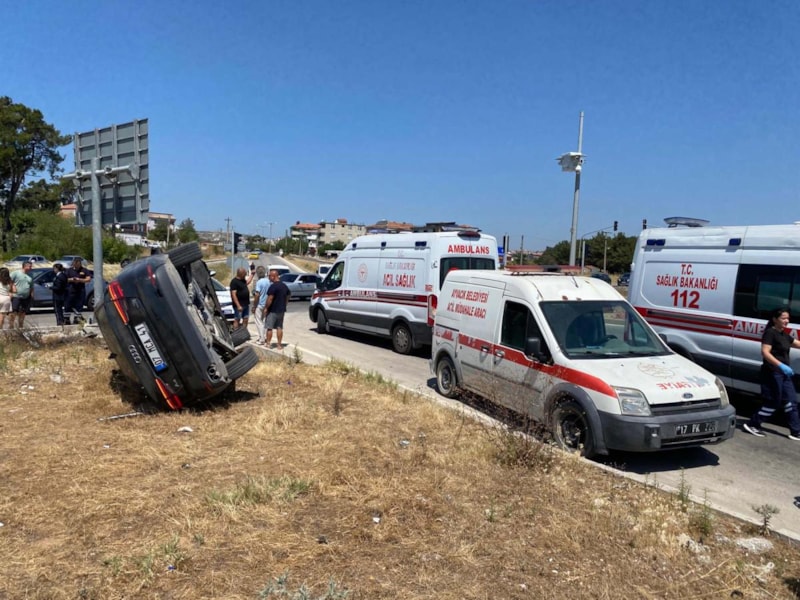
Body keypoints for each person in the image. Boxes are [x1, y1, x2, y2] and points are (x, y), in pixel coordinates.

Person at [743, 307, 800, 441]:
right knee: (774, 402)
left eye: (788, 318)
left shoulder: (784, 335)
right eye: (783, 318)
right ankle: (753, 424)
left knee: (791, 402)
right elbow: (765, 352)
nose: (786, 321)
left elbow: (797, 343)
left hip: (784, 375)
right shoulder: (770, 333)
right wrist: (780, 365)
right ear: (775, 319)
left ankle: (796, 431)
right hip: (772, 372)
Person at [265, 268, 291, 350]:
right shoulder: (284, 286)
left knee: (269, 327)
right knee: (279, 327)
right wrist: (285, 304)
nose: (269, 277)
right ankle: (279, 345)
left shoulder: (273, 286)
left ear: (273, 276)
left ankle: (268, 343)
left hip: (272, 310)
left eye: (269, 276)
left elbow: (270, 299)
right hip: (281, 310)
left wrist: (266, 308)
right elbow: (288, 295)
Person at [65, 257, 92, 324]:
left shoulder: (84, 270)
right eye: (75, 263)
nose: (77, 265)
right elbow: (65, 279)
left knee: (79, 305)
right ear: (73, 263)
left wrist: (80, 280)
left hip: (80, 291)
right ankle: (67, 319)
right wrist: (72, 279)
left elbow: (88, 279)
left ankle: (77, 319)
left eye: (78, 263)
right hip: (70, 290)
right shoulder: (69, 270)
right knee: (68, 305)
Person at [8, 261, 34, 329]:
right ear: (25, 266)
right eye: (30, 266)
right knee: (14, 311)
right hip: (16, 296)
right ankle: (11, 326)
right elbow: (9, 281)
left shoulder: (30, 275)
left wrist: (32, 295)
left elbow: (31, 286)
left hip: (26, 297)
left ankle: (20, 326)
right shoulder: (16, 273)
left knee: (23, 312)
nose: (31, 268)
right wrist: (12, 287)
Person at [229, 266, 255, 330]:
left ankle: (244, 331)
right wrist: (238, 305)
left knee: (245, 318)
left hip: (246, 304)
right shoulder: (234, 282)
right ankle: (236, 331)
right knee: (237, 319)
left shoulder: (242, 280)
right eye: (244, 274)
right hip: (239, 305)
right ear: (241, 274)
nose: (245, 275)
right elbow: (233, 294)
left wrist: (252, 275)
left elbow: (247, 282)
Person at [251, 266, 269, 344]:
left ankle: (262, 339)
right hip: (267, 304)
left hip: (260, 304)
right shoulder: (268, 281)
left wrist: (254, 306)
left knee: (259, 322)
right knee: (264, 321)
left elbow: (257, 295)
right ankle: (264, 337)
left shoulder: (259, 282)